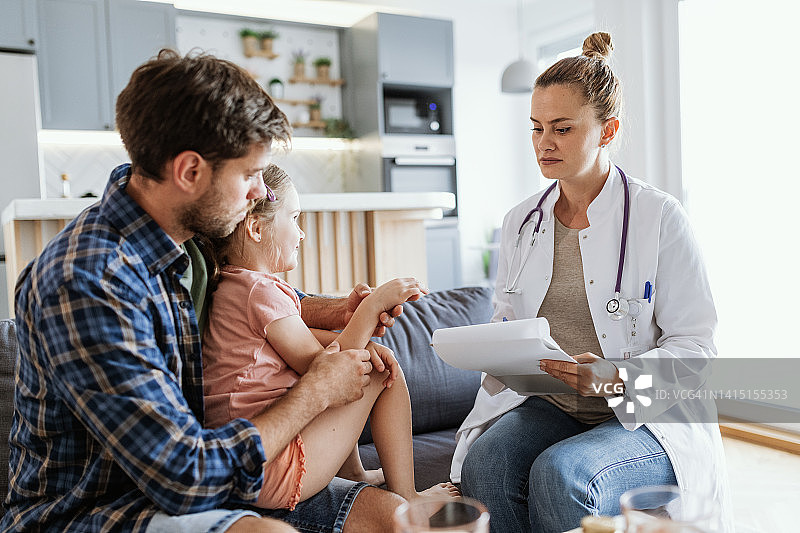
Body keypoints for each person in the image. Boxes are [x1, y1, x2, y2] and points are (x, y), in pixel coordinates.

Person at [1, 50, 413, 533]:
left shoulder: (186, 237)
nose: (260, 193)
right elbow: (185, 477)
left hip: (217, 474)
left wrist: (336, 310)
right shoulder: (89, 283)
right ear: (190, 172)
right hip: (103, 510)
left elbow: (257, 298)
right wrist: (315, 392)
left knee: (398, 519)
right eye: (249, 175)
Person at [451, 33, 732, 533]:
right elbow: (507, 322)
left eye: (562, 128)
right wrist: (493, 350)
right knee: (487, 463)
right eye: (536, 127)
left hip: (647, 417)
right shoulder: (520, 222)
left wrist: (615, 377)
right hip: (554, 404)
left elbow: (697, 348)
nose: (544, 143)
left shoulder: (658, 217)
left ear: (608, 130)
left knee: (562, 474)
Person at [202, 164, 459, 511]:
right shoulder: (261, 292)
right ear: (256, 228)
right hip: (274, 468)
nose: (301, 233)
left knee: (370, 355)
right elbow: (330, 374)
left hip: (249, 464)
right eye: (294, 218)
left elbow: (309, 344)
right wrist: (373, 306)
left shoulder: (232, 285)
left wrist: (364, 336)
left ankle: (354, 474)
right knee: (379, 371)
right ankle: (409, 498)